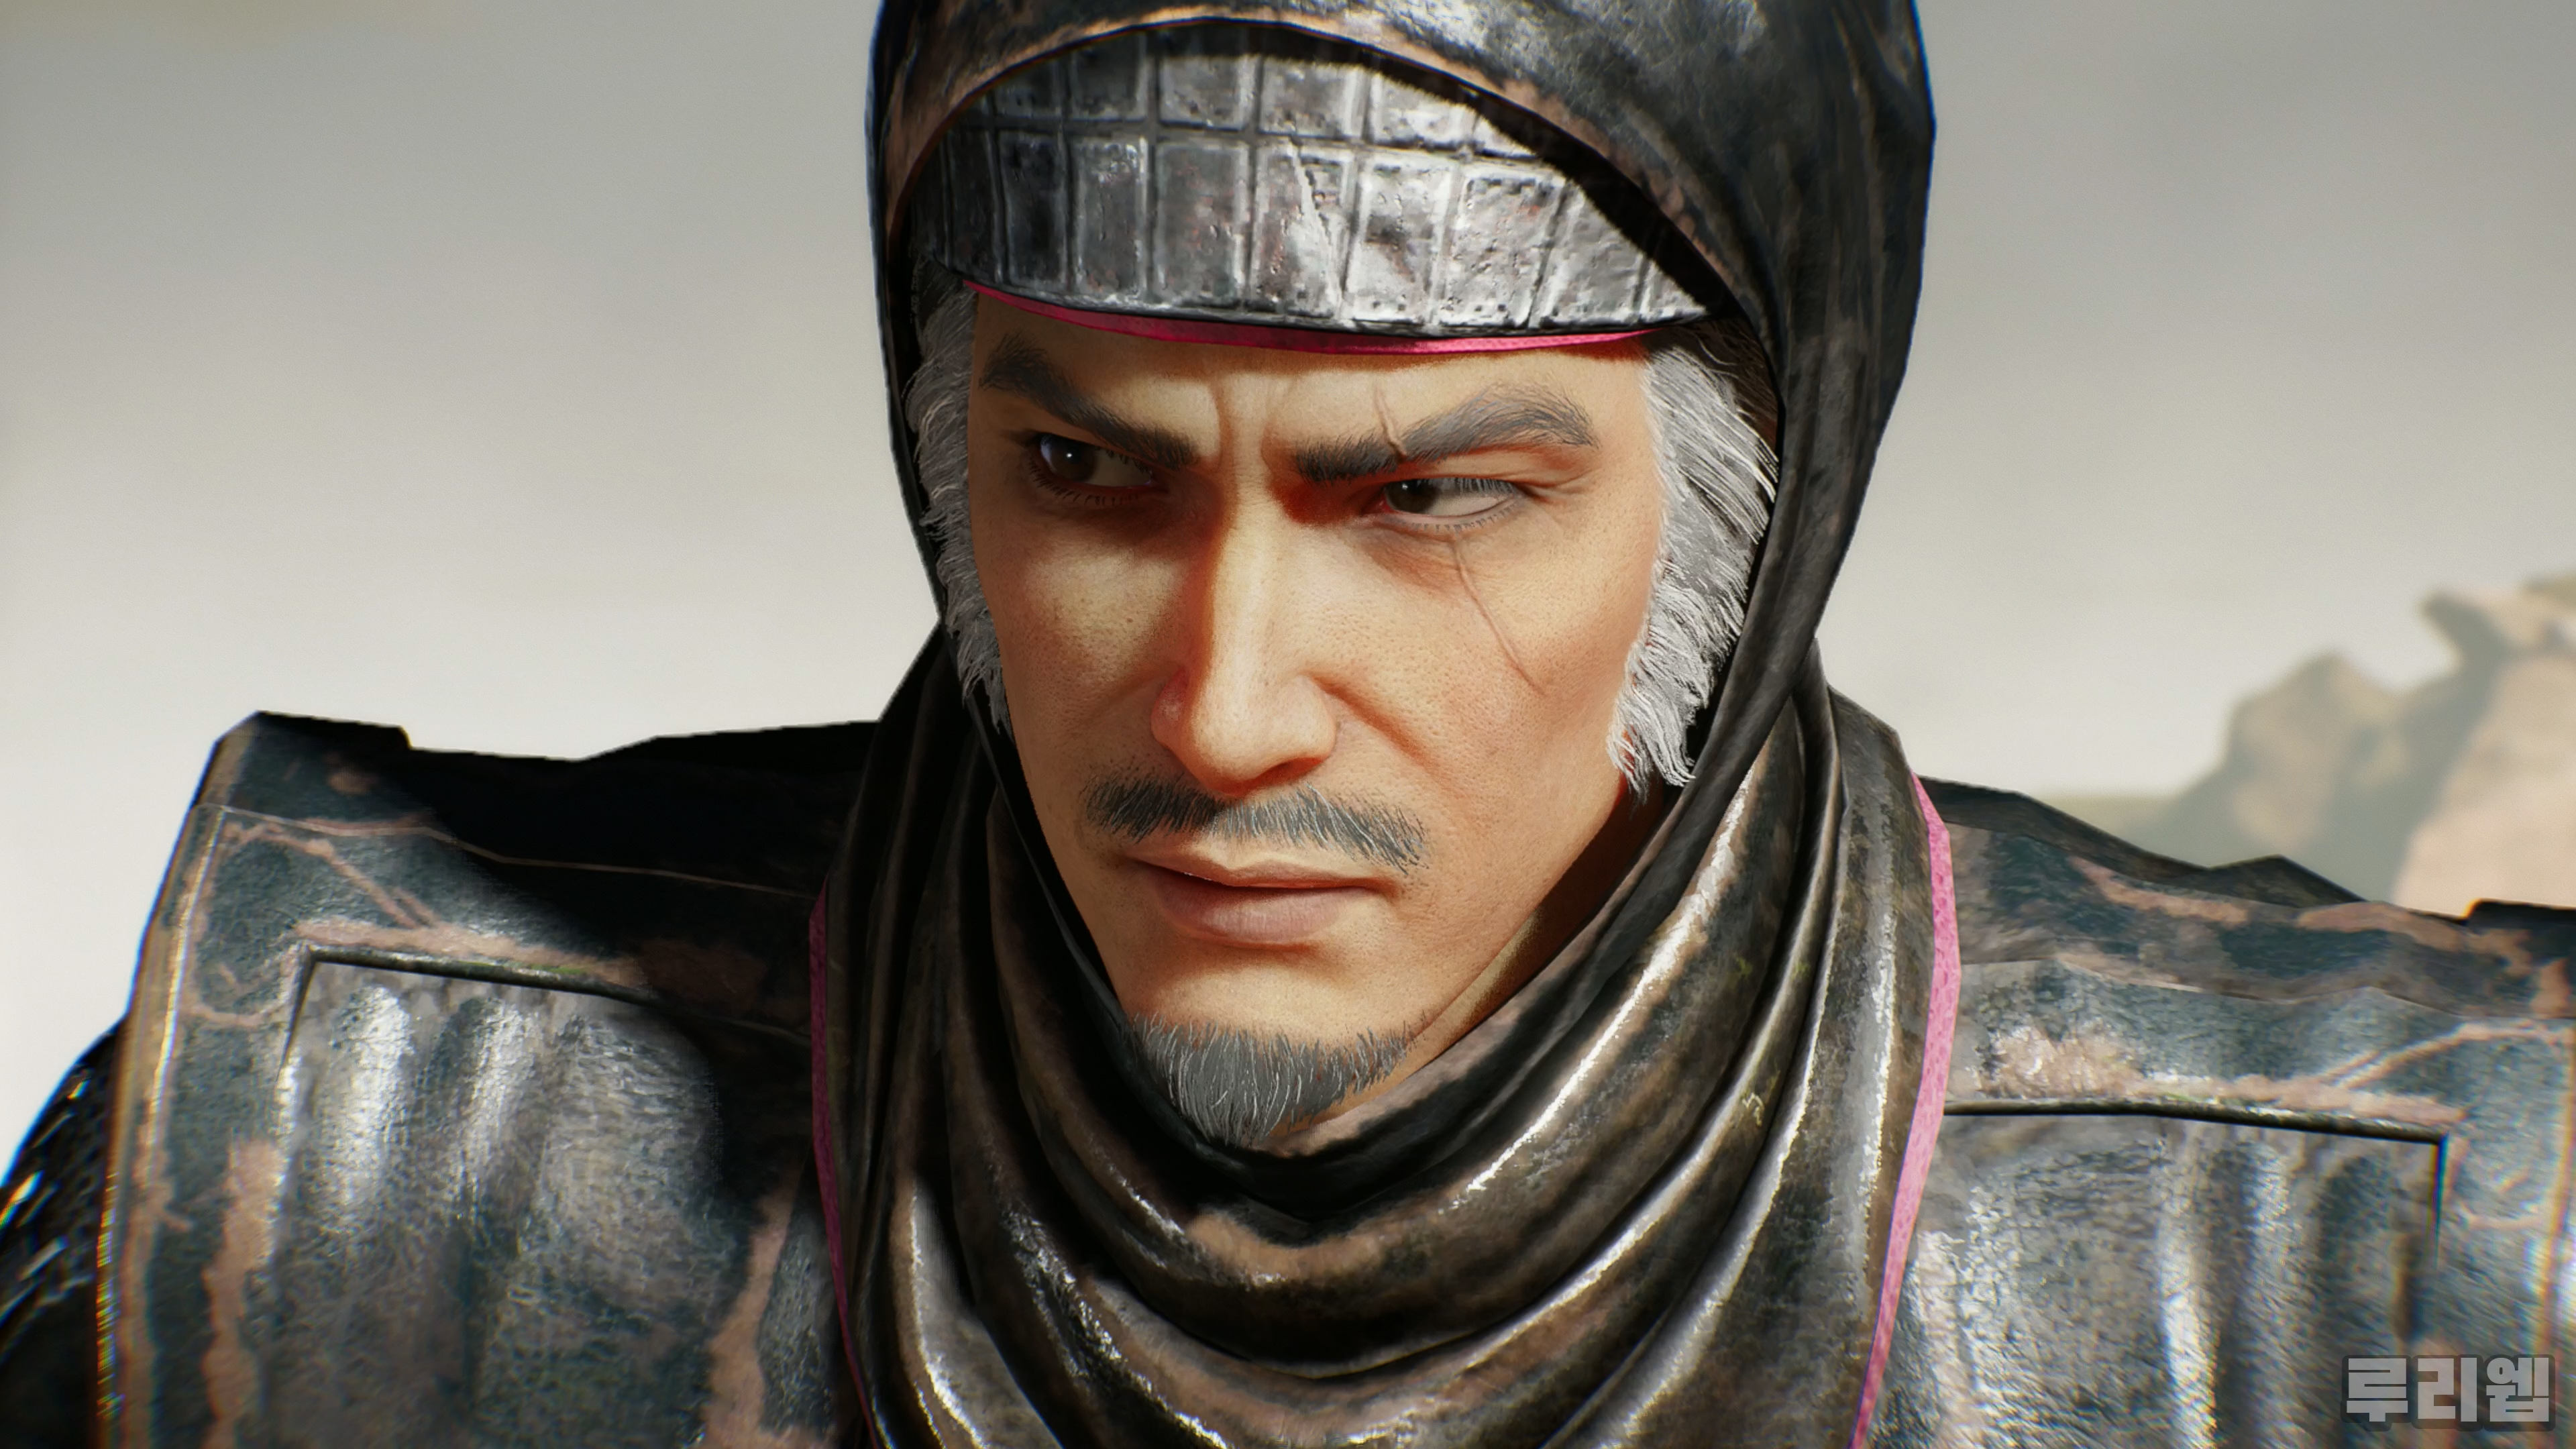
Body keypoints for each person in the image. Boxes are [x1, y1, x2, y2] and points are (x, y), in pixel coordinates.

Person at [4, 3, 2568, 1445]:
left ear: (1751, 522)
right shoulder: (322, 1145)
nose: (1225, 711)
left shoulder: (2389, 1247)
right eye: (1085, 475)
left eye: (1428, 497)